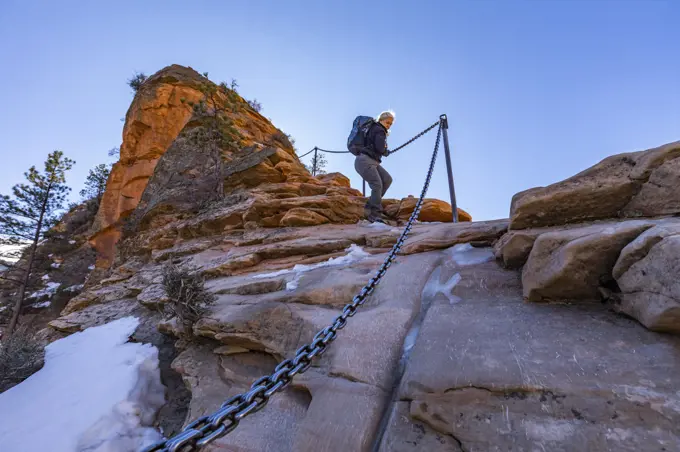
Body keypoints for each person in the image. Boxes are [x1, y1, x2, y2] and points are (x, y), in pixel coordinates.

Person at [354, 110, 395, 223]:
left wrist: (383, 150)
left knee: (387, 180)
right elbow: (380, 148)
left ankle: (371, 205)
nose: (389, 125)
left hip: (371, 161)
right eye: (387, 122)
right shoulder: (379, 130)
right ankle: (374, 214)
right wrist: (385, 151)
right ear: (381, 120)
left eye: (391, 124)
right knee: (377, 185)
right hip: (365, 161)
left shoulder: (375, 129)